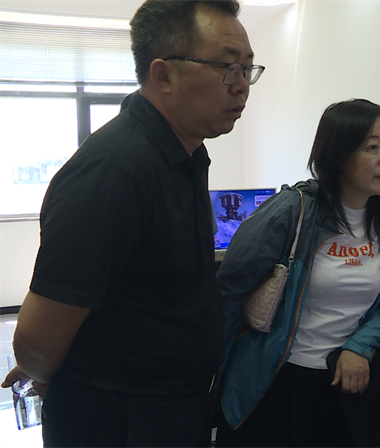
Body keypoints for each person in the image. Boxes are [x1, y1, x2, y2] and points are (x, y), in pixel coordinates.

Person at [0, 0, 261, 446]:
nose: (241, 86)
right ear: (163, 75)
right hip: (119, 421)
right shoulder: (114, 170)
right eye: (227, 67)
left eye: (247, 69)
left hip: (173, 410)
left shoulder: (185, 152)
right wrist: (42, 370)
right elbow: (37, 341)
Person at [213, 99, 380, 448]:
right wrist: (209, 372)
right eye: (372, 148)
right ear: (338, 156)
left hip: (343, 381)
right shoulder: (293, 210)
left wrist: (359, 347)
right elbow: (230, 290)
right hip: (275, 379)